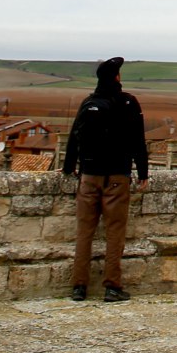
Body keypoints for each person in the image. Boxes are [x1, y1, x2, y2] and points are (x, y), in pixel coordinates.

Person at [62, 56, 149, 302]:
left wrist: (68, 167)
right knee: (114, 233)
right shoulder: (128, 102)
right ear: (117, 78)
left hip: (89, 175)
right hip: (117, 176)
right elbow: (138, 141)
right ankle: (112, 286)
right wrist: (143, 172)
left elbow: (74, 137)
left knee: (84, 232)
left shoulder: (88, 103)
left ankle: (79, 286)